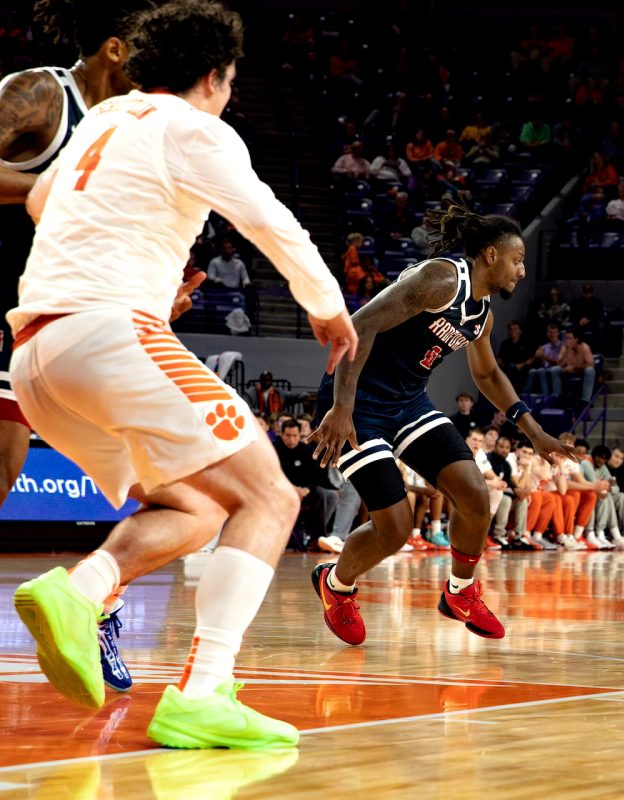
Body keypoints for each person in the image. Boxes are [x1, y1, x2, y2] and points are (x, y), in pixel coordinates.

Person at [8, 0, 357, 749]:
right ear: (213, 77)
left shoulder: (100, 122)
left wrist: (123, 260)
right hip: (107, 334)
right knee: (271, 494)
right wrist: (327, 308)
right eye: (229, 82)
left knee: (199, 509)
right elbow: (271, 220)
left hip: (38, 358)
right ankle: (202, 691)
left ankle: (90, 588)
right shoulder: (194, 125)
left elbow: (41, 199)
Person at [308, 204, 576, 648]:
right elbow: (359, 325)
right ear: (491, 255)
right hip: (358, 404)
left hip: (408, 403)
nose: (523, 271)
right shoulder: (442, 280)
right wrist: (341, 407)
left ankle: (460, 593)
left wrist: (533, 430)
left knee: (474, 492)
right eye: (517, 259)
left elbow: (488, 375)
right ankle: (336, 585)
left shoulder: (482, 313)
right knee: (394, 528)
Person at [0, 0, 158, 694]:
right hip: (12, 306)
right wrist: (46, 191)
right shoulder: (39, 92)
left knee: (152, 473)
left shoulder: (124, 131)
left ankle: (100, 605)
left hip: (57, 316)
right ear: (117, 50)